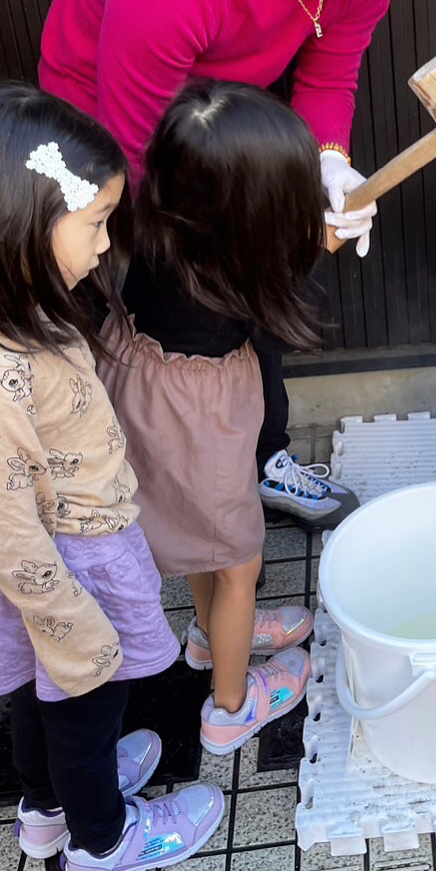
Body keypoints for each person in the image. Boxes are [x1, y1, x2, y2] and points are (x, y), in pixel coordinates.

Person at [39, 0, 436, 522]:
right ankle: (174, 490)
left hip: (225, 108)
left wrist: (328, 163)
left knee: (265, 281)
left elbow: (328, 79)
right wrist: (228, 233)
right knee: (176, 301)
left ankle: (261, 461)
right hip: (106, 120)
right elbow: (137, 150)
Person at [0, 87, 222, 871]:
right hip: (56, 567)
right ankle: (103, 841)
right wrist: (67, 618)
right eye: (96, 222)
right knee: (83, 698)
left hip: (61, 549)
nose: (106, 244)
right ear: (23, 223)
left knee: (49, 696)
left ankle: (47, 808)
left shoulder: (15, 304)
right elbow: (6, 528)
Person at [98, 82, 352, 753]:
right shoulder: (236, 271)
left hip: (142, 389)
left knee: (192, 525)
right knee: (238, 559)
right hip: (200, 416)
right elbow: (277, 306)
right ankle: (231, 707)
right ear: (246, 209)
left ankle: (213, 637)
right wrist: (313, 248)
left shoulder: (160, 224)